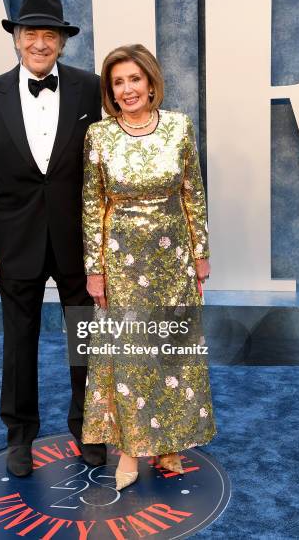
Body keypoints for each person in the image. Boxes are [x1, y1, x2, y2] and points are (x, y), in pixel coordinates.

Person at [0, 0, 105, 477]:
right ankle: (20, 435)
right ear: (17, 40)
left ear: (63, 43)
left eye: (51, 35)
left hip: (77, 241)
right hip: (14, 240)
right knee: (18, 343)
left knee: (83, 340)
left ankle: (88, 428)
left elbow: (102, 167)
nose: (40, 43)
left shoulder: (91, 89)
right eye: (32, 35)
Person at [81, 44, 217, 490]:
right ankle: (129, 450)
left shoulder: (179, 127)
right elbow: (91, 203)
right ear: (111, 91)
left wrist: (200, 253)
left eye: (134, 79)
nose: (127, 89)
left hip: (174, 258)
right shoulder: (99, 136)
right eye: (118, 82)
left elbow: (192, 192)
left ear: (151, 82)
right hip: (122, 262)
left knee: (172, 350)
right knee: (132, 355)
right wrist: (94, 267)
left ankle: (170, 441)